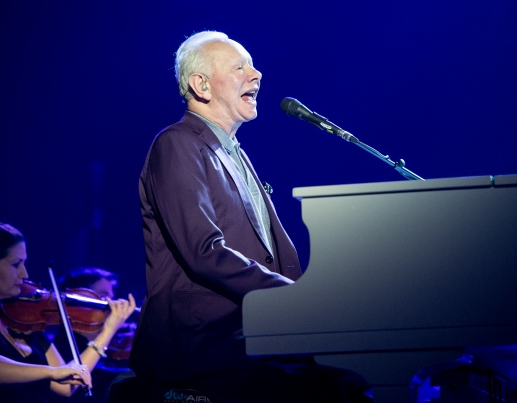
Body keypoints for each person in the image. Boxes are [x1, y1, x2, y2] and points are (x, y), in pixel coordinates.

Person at [127, 32, 367, 402]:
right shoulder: (176, 144)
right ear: (201, 85)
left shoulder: (232, 150)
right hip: (206, 346)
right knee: (336, 392)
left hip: (252, 338)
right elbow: (204, 251)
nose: (256, 74)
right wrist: (293, 298)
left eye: (252, 65)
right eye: (239, 66)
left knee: (352, 384)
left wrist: (313, 301)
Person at [0, 221, 136, 403]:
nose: (25, 274)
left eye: (24, 263)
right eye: (16, 264)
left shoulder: (24, 323)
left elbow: (67, 384)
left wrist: (107, 332)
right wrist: (50, 372)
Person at [51, 267, 136, 402]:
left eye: (111, 296)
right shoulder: (57, 350)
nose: (111, 304)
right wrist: (108, 331)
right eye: (102, 296)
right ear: (77, 300)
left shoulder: (116, 347)